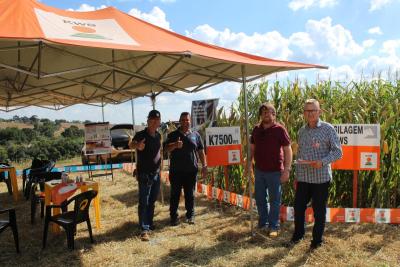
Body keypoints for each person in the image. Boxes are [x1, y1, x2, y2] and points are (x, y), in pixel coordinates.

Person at [289, 99, 342, 250]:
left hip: (321, 179)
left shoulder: (328, 129)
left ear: (319, 112)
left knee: (319, 212)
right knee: (298, 208)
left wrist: (323, 161)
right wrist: (296, 177)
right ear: (304, 113)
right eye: (307, 110)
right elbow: (300, 155)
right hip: (304, 178)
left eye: (313, 110)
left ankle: (316, 241)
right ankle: (298, 236)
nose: (310, 113)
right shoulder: (301, 131)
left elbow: (338, 152)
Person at [250, 102, 292, 237]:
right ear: (261, 115)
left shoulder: (280, 129)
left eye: (269, 112)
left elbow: (288, 150)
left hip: (275, 171)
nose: (266, 115)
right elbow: (251, 148)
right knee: (260, 198)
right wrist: (248, 164)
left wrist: (286, 170)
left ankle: (274, 225)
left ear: (274, 114)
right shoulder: (256, 129)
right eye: (263, 112)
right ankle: (263, 223)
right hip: (259, 170)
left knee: (274, 200)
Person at [164, 112, 207, 226]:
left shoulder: (196, 135)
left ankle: (190, 215)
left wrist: (204, 165)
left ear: (190, 121)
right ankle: (173, 217)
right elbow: (166, 149)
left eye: (187, 120)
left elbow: (201, 151)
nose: (185, 122)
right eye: (182, 120)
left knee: (190, 194)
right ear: (180, 121)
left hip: (191, 171)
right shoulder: (173, 134)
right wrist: (175, 145)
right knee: (175, 195)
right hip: (176, 171)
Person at [129, 109, 162, 241]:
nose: (154, 122)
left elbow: (158, 152)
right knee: (144, 201)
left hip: (156, 174)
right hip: (144, 174)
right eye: (152, 120)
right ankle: (143, 229)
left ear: (159, 122)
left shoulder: (158, 136)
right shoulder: (141, 134)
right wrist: (138, 145)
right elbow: (131, 144)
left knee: (152, 201)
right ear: (148, 121)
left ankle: (149, 223)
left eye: (157, 120)